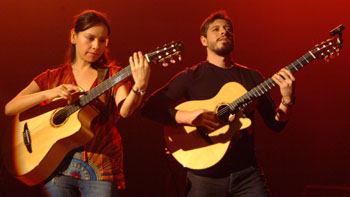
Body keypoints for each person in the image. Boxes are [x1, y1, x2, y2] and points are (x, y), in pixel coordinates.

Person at [142, 10, 295, 196]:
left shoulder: (252, 77)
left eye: (228, 29)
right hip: (203, 178)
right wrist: (187, 117)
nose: (224, 32)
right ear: (203, 40)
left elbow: (276, 124)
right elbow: (150, 108)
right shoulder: (191, 76)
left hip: (247, 174)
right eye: (216, 29)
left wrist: (287, 100)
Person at [4, 10, 150, 196]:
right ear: (73, 36)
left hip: (100, 169)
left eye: (102, 40)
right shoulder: (52, 77)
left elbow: (125, 111)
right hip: (55, 166)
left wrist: (140, 86)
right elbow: (10, 108)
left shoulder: (112, 74)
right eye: (90, 38)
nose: (96, 46)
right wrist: (50, 92)